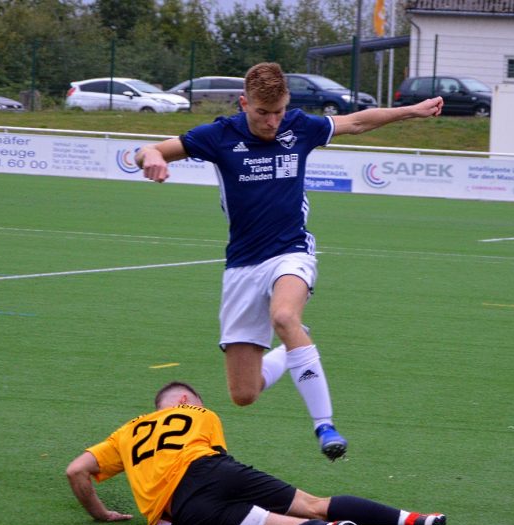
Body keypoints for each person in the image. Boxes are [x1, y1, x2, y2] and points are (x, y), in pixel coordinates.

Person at [134, 63, 444, 460]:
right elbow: (149, 149)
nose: (273, 121)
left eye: (279, 111)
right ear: (244, 103)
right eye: (263, 113)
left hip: (291, 252)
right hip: (243, 267)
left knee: (283, 317)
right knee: (244, 394)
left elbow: (357, 123)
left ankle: (325, 425)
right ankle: (294, 345)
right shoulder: (219, 136)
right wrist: (153, 158)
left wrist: (410, 111)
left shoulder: (299, 127)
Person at [66, 381, 447, 525]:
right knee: (314, 503)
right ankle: (416, 521)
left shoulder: (125, 435)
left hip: (185, 505)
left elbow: (76, 471)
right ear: (185, 401)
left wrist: (101, 514)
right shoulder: (201, 414)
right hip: (219, 469)